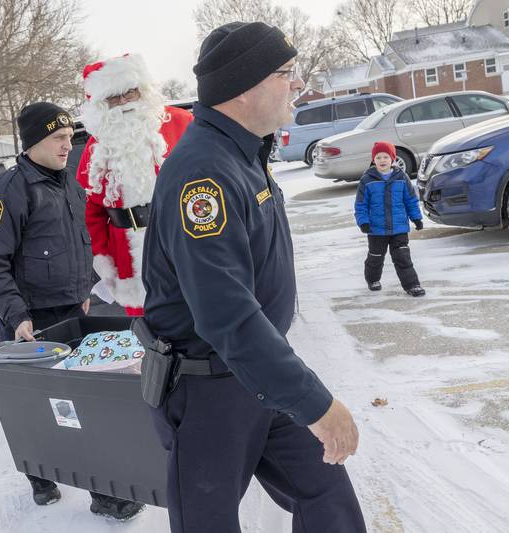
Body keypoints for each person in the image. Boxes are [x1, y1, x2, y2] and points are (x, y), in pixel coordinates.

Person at [141, 22, 367, 533]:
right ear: (244, 86)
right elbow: (227, 315)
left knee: (325, 490)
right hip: (207, 393)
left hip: (257, 376)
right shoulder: (205, 175)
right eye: (286, 73)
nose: (298, 83)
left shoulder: (243, 153)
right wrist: (316, 403)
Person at [0, 102, 142, 522]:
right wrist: (16, 316)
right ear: (33, 143)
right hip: (30, 320)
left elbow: (80, 240)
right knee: (39, 407)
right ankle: (42, 477)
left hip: (73, 310)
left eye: (70, 137)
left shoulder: (68, 183)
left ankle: (106, 493)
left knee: (85, 405)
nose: (69, 146)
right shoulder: (7, 192)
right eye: (59, 139)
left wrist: (85, 288)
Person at [76, 54, 193, 316]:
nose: (124, 103)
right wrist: (103, 259)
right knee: (150, 335)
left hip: (186, 240)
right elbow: (88, 212)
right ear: (101, 105)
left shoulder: (181, 123)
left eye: (130, 93)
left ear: (143, 90)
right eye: (114, 98)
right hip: (130, 259)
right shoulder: (96, 148)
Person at [354, 141, 426, 297]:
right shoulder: (367, 180)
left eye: (386, 156)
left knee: (402, 257)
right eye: (378, 157)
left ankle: (412, 285)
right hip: (376, 228)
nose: (382, 160)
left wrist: (416, 218)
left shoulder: (402, 177)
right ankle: (372, 279)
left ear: (392, 158)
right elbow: (361, 204)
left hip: (399, 227)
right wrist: (363, 221)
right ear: (374, 160)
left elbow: (411, 200)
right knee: (376, 257)